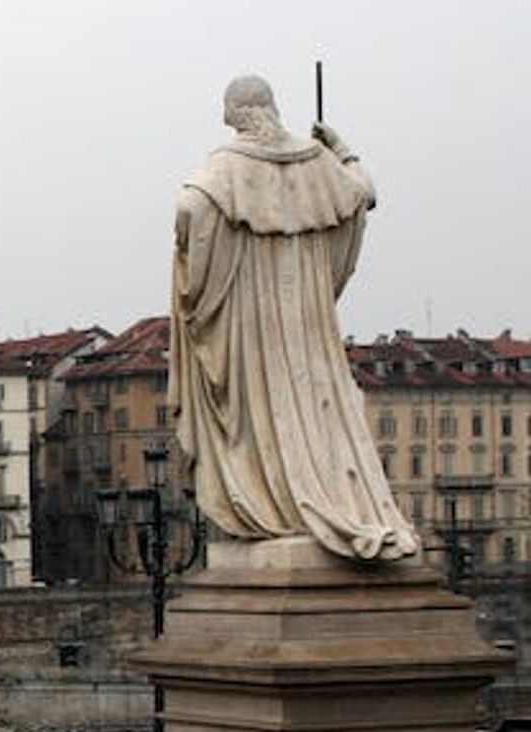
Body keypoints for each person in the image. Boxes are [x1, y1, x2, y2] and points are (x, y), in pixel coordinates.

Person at [172, 74, 416, 563]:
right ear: (271, 108)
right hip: (308, 326)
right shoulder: (317, 163)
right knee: (319, 410)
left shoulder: (224, 167)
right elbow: (362, 194)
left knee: (265, 414)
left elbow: (190, 207)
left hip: (253, 325)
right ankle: (331, 501)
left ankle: (279, 506)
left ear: (234, 113)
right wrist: (341, 148)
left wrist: (187, 254)